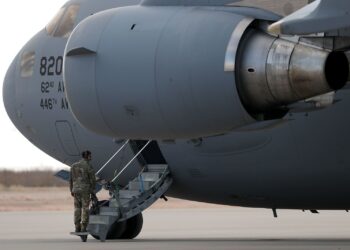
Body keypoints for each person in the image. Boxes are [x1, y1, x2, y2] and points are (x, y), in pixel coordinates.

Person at [70, 150, 96, 232]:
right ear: (87, 156)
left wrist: (71, 190)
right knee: (85, 208)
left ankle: (77, 226)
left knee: (77, 208)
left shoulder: (73, 166)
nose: (91, 157)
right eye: (90, 156)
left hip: (76, 190)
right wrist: (92, 190)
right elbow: (93, 179)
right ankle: (84, 226)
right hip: (85, 190)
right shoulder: (88, 166)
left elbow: (70, 179)